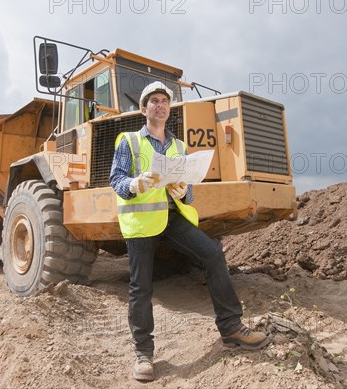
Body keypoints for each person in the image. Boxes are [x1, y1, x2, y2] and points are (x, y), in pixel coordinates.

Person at [109, 81, 271, 382]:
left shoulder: (179, 146)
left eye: (164, 101)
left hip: (172, 218)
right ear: (144, 109)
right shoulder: (128, 142)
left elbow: (189, 194)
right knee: (141, 286)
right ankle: (143, 352)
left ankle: (231, 328)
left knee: (212, 254)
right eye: (154, 101)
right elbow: (116, 180)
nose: (160, 105)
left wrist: (184, 192)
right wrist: (134, 185)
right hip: (142, 223)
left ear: (169, 109)